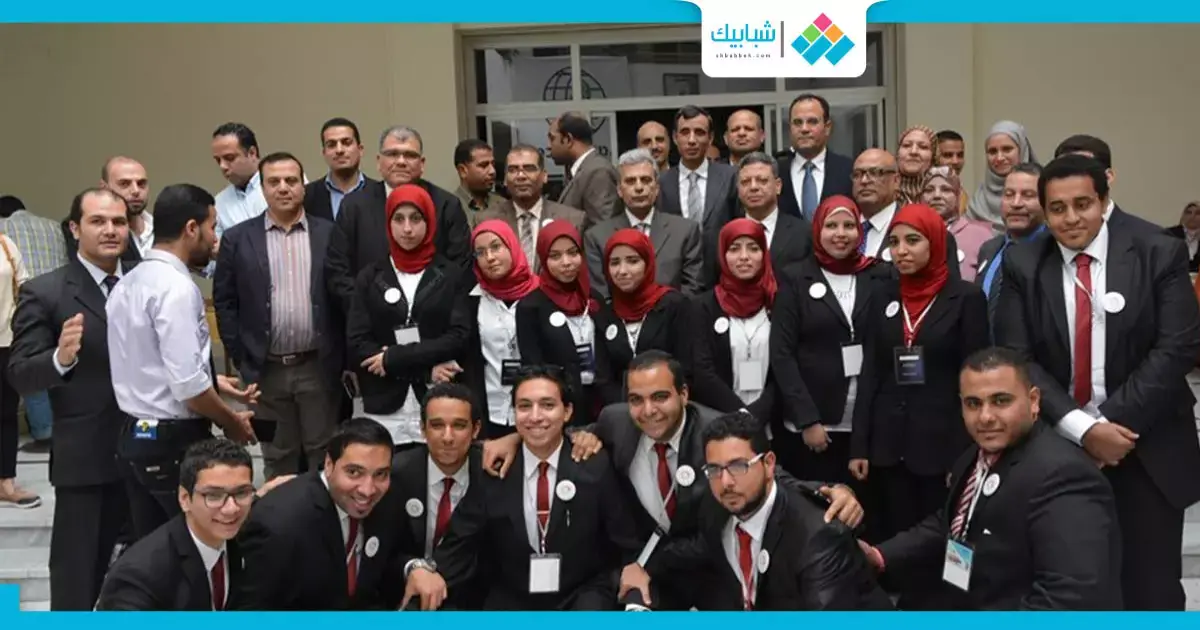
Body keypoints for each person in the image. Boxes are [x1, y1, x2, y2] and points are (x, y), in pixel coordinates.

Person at [484, 350, 865, 610]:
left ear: (684, 394)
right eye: (637, 399)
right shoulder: (616, 422)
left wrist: (830, 491)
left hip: (712, 565)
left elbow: (766, 474)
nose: (648, 411)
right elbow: (554, 429)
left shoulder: (715, 430)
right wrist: (512, 437)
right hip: (650, 566)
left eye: (660, 397)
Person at [995, 154, 1200, 611]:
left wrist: (1107, 426)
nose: (1070, 218)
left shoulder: (1157, 250)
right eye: (1057, 208)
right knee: (1070, 587)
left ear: (1104, 201)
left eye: (1082, 204)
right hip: (1058, 446)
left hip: (1147, 446)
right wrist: (1083, 430)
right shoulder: (1023, 263)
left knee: (1151, 591)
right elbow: (1017, 357)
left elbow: (1177, 348)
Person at [859, 348, 1122, 610]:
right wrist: (880, 555)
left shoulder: (1064, 476)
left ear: (1033, 401)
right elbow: (954, 522)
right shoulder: (977, 453)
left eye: (1001, 401)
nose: (985, 417)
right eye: (973, 404)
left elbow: (1071, 597)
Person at [402, 366, 643, 610]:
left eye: (547, 405)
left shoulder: (595, 464)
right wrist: (427, 578)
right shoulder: (495, 470)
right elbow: (461, 541)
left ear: (567, 411)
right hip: (513, 595)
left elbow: (624, 540)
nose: (535, 416)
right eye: (525, 406)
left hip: (582, 592)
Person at [622, 410, 892, 611]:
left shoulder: (818, 537)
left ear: (769, 464)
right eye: (714, 469)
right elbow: (696, 548)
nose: (725, 482)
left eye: (738, 466)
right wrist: (642, 567)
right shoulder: (718, 506)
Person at [107, 183, 257, 540]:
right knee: (193, 546)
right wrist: (231, 422)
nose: (215, 239)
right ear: (192, 228)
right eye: (212, 227)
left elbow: (146, 362)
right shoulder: (175, 287)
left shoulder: (128, 281)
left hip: (134, 433)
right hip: (172, 441)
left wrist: (214, 381)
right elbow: (188, 386)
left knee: (154, 548)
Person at [9, 188, 133, 608]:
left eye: (119, 221)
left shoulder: (146, 282)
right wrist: (60, 360)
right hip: (87, 460)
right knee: (78, 581)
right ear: (75, 229)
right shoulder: (46, 291)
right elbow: (21, 373)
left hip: (152, 455)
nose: (111, 230)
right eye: (98, 221)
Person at [850, 204, 989, 547]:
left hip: (939, 445)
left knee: (933, 541)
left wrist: (963, 455)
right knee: (889, 537)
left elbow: (975, 381)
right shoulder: (883, 295)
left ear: (936, 243)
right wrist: (859, 445)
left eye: (912, 241)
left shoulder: (966, 298)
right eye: (894, 242)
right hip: (887, 444)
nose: (901, 251)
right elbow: (871, 372)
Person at [213, 152, 343, 477]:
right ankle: (279, 509)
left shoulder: (329, 234)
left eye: (291, 180)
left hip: (317, 368)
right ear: (263, 188)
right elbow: (225, 302)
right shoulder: (237, 239)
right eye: (274, 181)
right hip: (264, 372)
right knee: (276, 455)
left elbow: (344, 296)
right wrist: (242, 356)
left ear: (303, 186)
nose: (283, 188)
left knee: (324, 452)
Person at [769, 196, 889, 486]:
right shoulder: (796, 278)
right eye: (832, 225)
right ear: (818, 229)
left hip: (864, 423)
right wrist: (807, 419)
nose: (840, 234)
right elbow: (782, 354)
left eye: (849, 225)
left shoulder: (877, 275)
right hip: (813, 426)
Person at [233, 417, 412, 610]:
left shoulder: (388, 498)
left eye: (380, 474)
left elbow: (389, 559)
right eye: (354, 472)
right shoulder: (280, 525)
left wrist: (414, 567)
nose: (367, 490)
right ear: (328, 464)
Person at [346, 184, 470, 449]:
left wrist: (393, 358)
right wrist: (425, 370)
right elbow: (358, 342)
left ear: (429, 222)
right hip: (385, 402)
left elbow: (458, 336)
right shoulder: (370, 276)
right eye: (399, 219)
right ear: (388, 223)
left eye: (416, 219)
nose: (407, 229)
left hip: (437, 400)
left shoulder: (449, 274)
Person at [96, 439, 255, 611]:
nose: (231, 508)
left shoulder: (243, 533)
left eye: (241, 493)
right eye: (214, 496)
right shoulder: (139, 576)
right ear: (184, 499)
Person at [390, 383, 491, 609]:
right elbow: (383, 549)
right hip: (407, 594)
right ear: (422, 429)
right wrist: (413, 567)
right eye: (437, 425)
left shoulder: (492, 472)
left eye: (459, 425)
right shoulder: (396, 475)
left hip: (473, 599)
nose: (447, 437)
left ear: (475, 429)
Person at [516, 220, 605, 423]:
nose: (566, 262)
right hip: (560, 406)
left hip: (600, 401)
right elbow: (533, 366)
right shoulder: (531, 306)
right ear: (543, 259)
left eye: (573, 253)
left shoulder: (593, 298)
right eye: (555, 256)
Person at [459, 220, 542, 438]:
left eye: (496, 247)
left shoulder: (541, 294)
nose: (490, 257)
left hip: (537, 410)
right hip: (490, 409)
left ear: (512, 246)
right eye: (480, 252)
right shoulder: (472, 300)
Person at [690, 219, 778, 421]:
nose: (744, 257)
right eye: (734, 249)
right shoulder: (703, 306)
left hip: (771, 421)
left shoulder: (778, 301)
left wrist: (758, 413)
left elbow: (786, 365)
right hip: (719, 420)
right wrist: (740, 414)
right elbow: (702, 371)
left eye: (753, 248)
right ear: (722, 254)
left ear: (764, 254)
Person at [593, 228, 692, 405]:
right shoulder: (606, 313)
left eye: (632, 261)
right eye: (614, 263)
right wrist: (631, 407)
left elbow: (687, 367)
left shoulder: (673, 305)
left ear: (648, 263)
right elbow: (604, 378)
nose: (622, 270)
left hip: (668, 406)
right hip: (621, 409)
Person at [0, 225, 30, 507]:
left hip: (6, 342)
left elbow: (24, 285)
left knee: (6, 413)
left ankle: (5, 482)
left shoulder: (6, 245)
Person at [923, 166, 994, 281]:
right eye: (929, 190)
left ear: (958, 195)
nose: (936, 195)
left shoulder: (980, 235)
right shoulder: (914, 234)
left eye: (946, 189)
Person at [966, 121, 1037, 231]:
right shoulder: (977, 202)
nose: (999, 158)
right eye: (992, 151)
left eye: (1007, 149)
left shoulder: (1043, 193)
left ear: (1022, 150)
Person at [895, 125, 939, 206]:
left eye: (923, 147)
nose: (913, 151)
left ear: (933, 158)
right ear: (897, 154)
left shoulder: (942, 194)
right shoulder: (885, 192)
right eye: (906, 145)